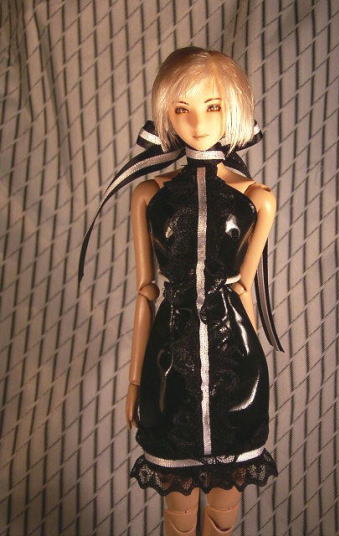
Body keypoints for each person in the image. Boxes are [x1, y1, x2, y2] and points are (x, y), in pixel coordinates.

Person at [78, 46, 284, 536]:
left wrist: (253, 364)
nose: (197, 122)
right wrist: (134, 381)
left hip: (237, 367)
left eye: (213, 106)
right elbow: (145, 291)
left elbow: (245, 287)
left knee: (223, 512)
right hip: (169, 365)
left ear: (233, 109)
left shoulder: (256, 198)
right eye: (181, 108)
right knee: (178, 511)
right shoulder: (150, 194)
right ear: (166, 114)